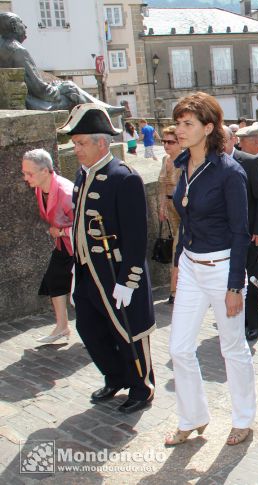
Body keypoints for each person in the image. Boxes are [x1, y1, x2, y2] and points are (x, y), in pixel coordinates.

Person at [164, 93, 255, 447]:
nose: (179, 130)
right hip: (191, 266)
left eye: (188, 124)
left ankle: (243, 418)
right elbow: (184, 220)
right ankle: (192, 417)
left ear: (208, 127)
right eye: (178, 123)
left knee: (232, 348)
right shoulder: (182, 163)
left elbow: (240, 232)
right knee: (179, 348)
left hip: (222, 270)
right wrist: (177, 265)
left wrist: (235, 286)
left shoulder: (229, 172)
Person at [59, 103, 155, 414]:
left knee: (128, 331)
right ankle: (115, 377)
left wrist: (129, 281)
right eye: (75, 144)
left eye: (82, 143)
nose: (77, 149)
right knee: (90, 329)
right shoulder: (82, 175)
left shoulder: (123, 177)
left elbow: (136, 236)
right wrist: (77, 268)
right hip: (89, 272)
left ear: (102, 142)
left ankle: (141, 387)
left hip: (115, 273)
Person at [0, 13, 123, 114]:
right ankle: (102, 112)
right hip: (35, 104)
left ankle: (101, 110)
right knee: (70, 88)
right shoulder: (17, 50)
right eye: (21, 22)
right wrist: (58, 89)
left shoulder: (3, 47)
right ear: (13, 26)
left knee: (66, 87)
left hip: (19, 101)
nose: (25, 26)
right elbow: (40, 89)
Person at [223, 125, 258, 341]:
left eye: (222, 140)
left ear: (233, 140)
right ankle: (233, 319)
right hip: (222, 235)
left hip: (249, 234)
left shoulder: (250, 162)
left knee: (249, 278)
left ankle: (253, 323)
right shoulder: (209, 163)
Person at [21, 148, 74, 344]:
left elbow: (85, 227)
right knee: (54, 279)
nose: (26, 178)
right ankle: (62, 327)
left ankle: (101, 334)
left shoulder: (66, 192)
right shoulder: (39, 187)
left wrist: (60, 232)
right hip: (64, 245)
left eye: (29, 173)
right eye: (24, 173)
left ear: (46, 171)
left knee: (86, 291)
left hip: (79, 247)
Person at [158, 125, 183, 304]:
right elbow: (161, 186)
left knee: (178, 248)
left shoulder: (185, 161)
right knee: (178, 247)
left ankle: (175, 291)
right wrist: (161, 207)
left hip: (183, 208)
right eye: (164, 141)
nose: (167, 145)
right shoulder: (165, 160)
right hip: (169, 206)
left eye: (170, 142)